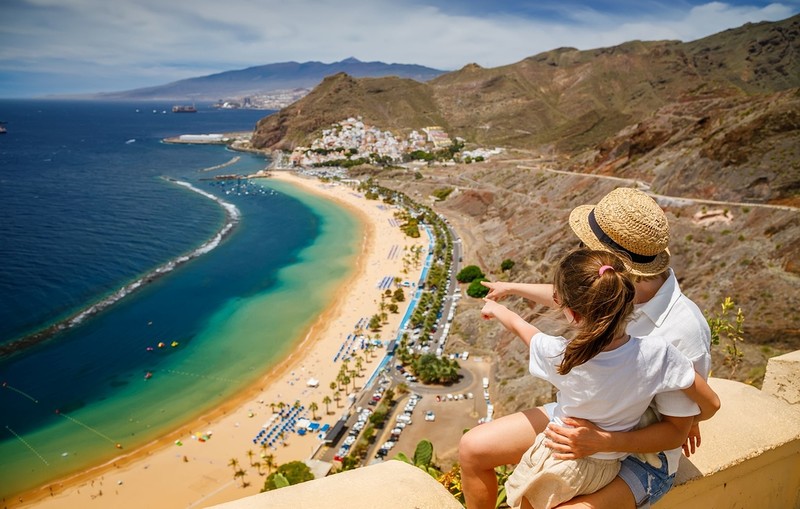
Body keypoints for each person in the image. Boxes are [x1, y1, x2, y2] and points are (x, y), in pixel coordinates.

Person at [459, 188, 719, 509]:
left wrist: (602, 442)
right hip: (583, 421)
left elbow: (675, 433)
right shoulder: (609, 291)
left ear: (612, 264)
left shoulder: (680, 331)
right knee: (473, 449)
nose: (578, 249)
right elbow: (567, 295)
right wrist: (511, 288)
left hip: (642, 454)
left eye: (585, 246)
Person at [479, 248, 699, 509]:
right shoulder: (652, 347)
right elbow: (710, 402)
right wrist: (510, 287)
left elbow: (527, 325)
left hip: (632, 453)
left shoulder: (566, 355)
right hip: (594, 442)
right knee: (475, 447)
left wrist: (688, 417)